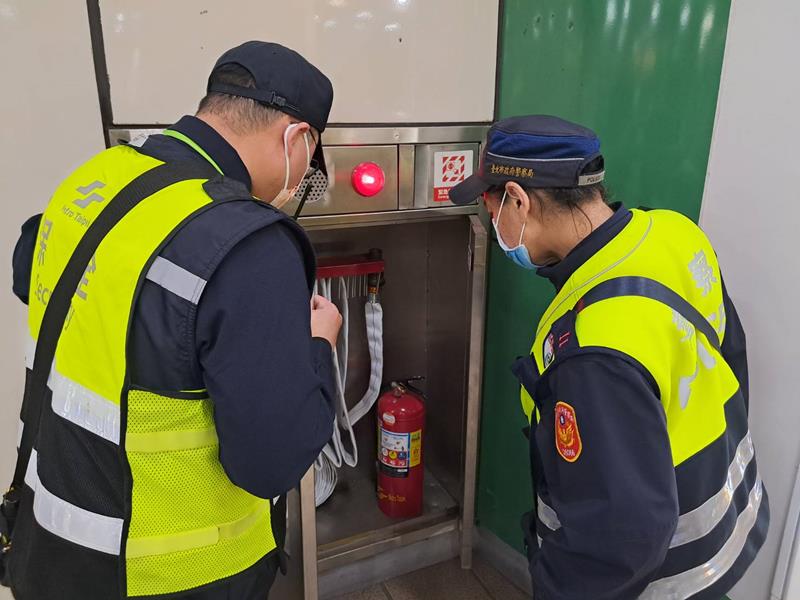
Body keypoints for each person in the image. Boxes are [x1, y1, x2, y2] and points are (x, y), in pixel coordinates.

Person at [1, 41, 340, 599]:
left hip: (48, 550)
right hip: (170, 578)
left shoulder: (95, 179)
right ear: (297, 138)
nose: (305, 174)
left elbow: (29, 275)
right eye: (313, 158)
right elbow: (270, 463)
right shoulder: (246, 243)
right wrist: (316, 347)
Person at [449, 115, 769, 599]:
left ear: (518, 199)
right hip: (728, 527)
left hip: (662, 581)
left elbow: (620, 540)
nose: (493, 223)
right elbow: (731, 357)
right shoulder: (673, 234)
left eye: (489, 206)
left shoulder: (592, 351)